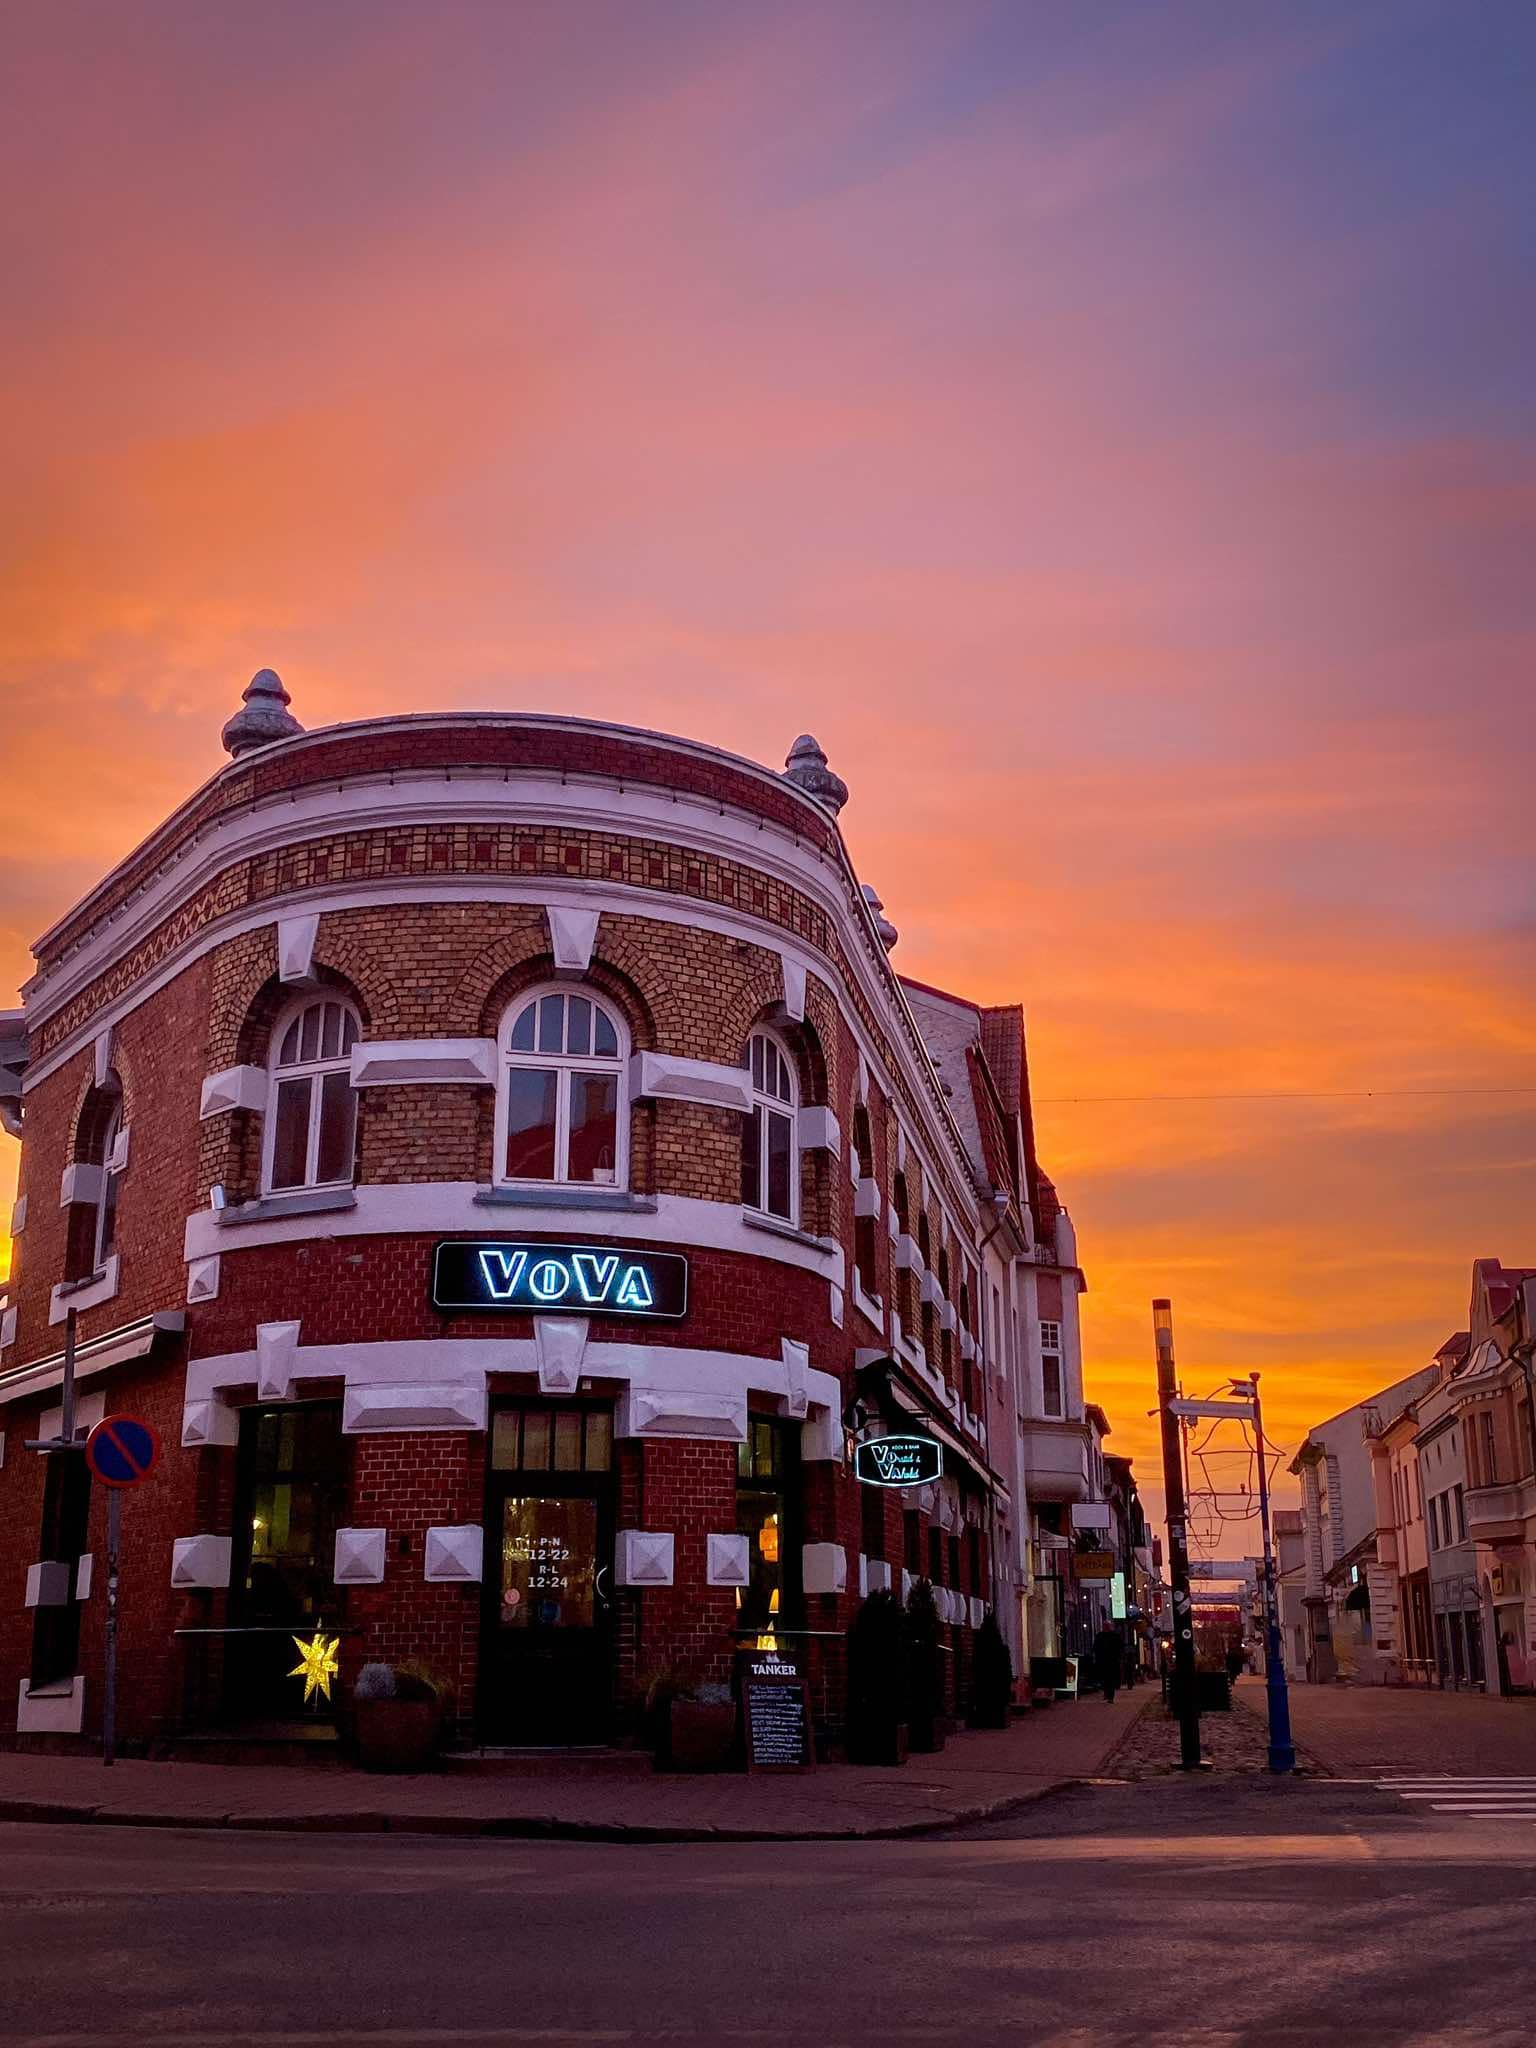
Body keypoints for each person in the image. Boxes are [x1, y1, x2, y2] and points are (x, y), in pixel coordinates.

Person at [1092, 1623, 1124, 1705]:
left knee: (1109, 1680)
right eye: (1105, 1626)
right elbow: (1095, 1648)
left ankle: (1110, 1696)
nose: (1105, 1627)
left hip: (1109, 1662)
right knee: (1106, 1679)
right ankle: (1108, 1695)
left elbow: (1120, 1648)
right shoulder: (1102, 1636)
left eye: (1106, 1626)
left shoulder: (1111, 1636)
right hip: (1106, 1662)